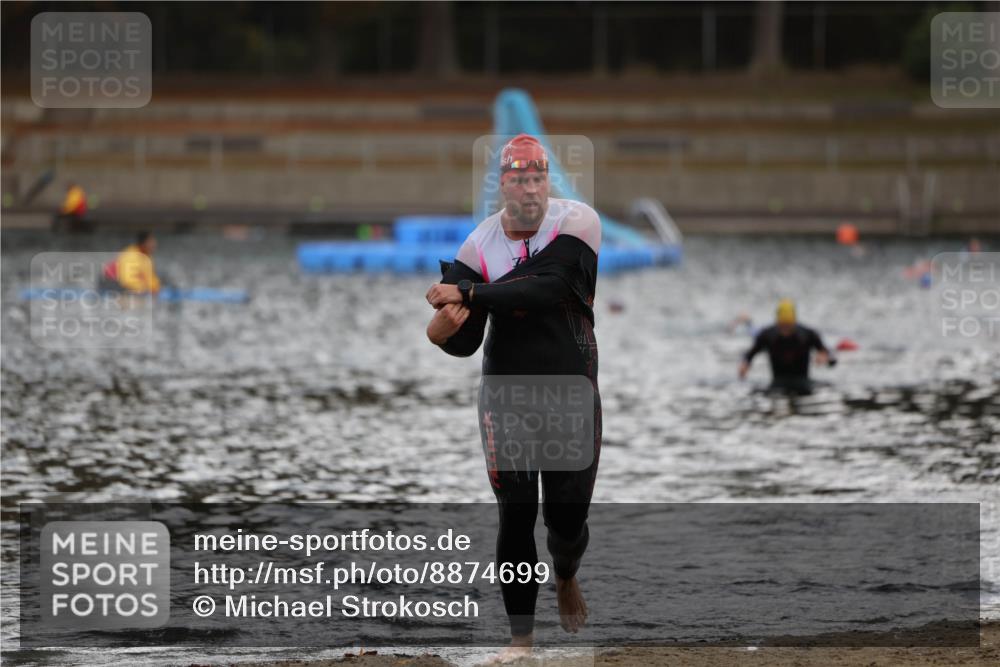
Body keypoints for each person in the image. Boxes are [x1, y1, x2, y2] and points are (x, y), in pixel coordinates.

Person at [425, 134, 601, 662]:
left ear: (550, 180)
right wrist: (441, 334)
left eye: (538, 177)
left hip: (572, 392)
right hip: (505, 396)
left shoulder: (578, 223)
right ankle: (520, 640)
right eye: (519, 179)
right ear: (501, 185)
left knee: (566, 521)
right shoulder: (477, 247)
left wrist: (471, 292)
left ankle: (566, 572)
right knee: (516, 514)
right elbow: (466, 339)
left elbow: (547, 285)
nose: (530, 188)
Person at [738, 299, 832, 395]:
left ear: (794, 322)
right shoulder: (768, 335)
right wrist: (745, 364)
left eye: (788, 325)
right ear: (778, 322)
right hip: (778, 382)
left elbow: (830, 356)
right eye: (783, 325)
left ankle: (748, 322)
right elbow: (750, 354)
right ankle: (748, 322)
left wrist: (824, 356)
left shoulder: (807, 334)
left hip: (802, 381)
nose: (785, 329)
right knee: (753, 332)